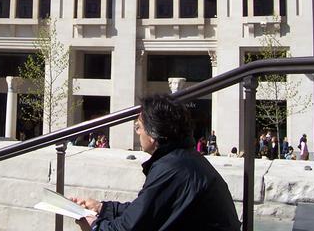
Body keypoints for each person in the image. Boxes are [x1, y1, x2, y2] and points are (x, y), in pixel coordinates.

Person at [71, 94, 240, 231]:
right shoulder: (184, 160)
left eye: (138, 127)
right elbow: (146, 210)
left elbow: (131, 227)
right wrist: (102, 208)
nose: (137, 132)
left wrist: (93, 225)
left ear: (153, 135)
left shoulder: (172, 168)